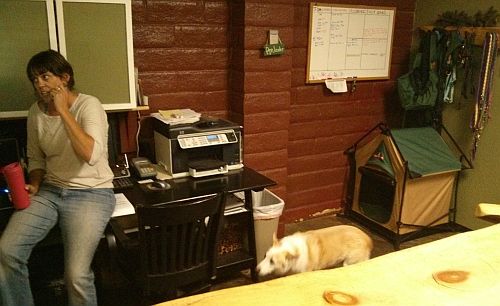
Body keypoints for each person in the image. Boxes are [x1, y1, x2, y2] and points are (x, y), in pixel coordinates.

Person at [0, 49, 116, 306]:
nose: (39, 84)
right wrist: (36, 183)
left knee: (75, 274)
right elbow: (37, 158)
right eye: (34, 79)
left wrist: (64, 111)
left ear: (64, 78)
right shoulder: (35, 112)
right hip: (51, 190)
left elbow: (91, 154)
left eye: (45, 76)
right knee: (5, 252)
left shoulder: (89, 105)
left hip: (92, 193)